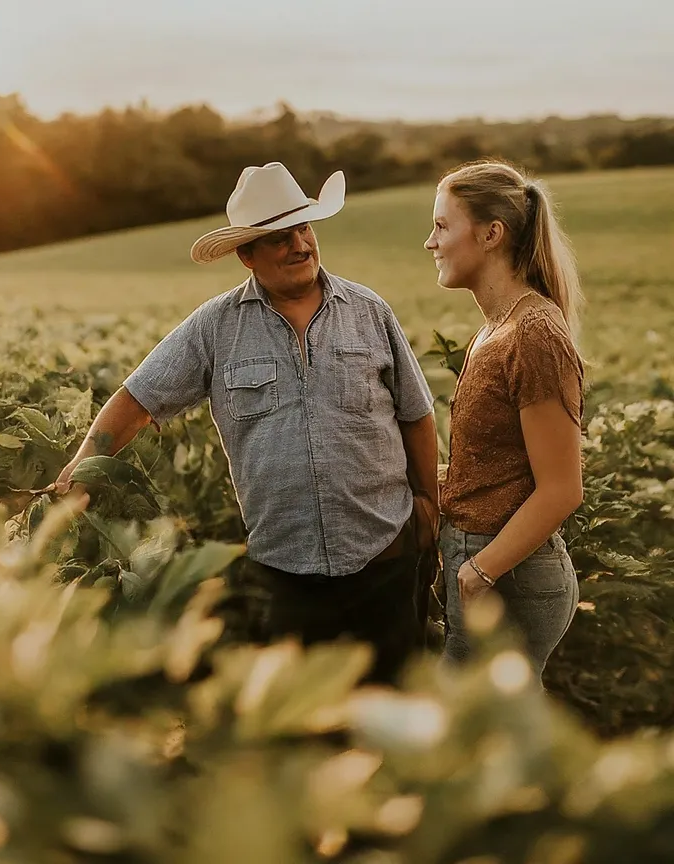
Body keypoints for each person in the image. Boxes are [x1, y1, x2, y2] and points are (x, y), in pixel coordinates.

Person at [55, 161, 440, 684]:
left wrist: (427, 505)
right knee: (294, 728)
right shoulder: (215, 328)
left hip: (384, 560)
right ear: (246, 255)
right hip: (284, 572)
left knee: (394, 717)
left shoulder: (369, 312)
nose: (299, 245)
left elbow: (415, 415)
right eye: (279, 238)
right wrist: (82, 470)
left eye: (303, 228)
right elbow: (136, 398)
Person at [424, 160, 584, 681]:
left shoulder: (533, 332)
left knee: (472, 732)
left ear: (491, 234)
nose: (431, 242)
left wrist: (479, 572)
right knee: (491, 738)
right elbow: (496, 463)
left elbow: (562, 488)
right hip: (490, 563)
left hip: (507, 573)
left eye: (442, 226)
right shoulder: (499, 326)